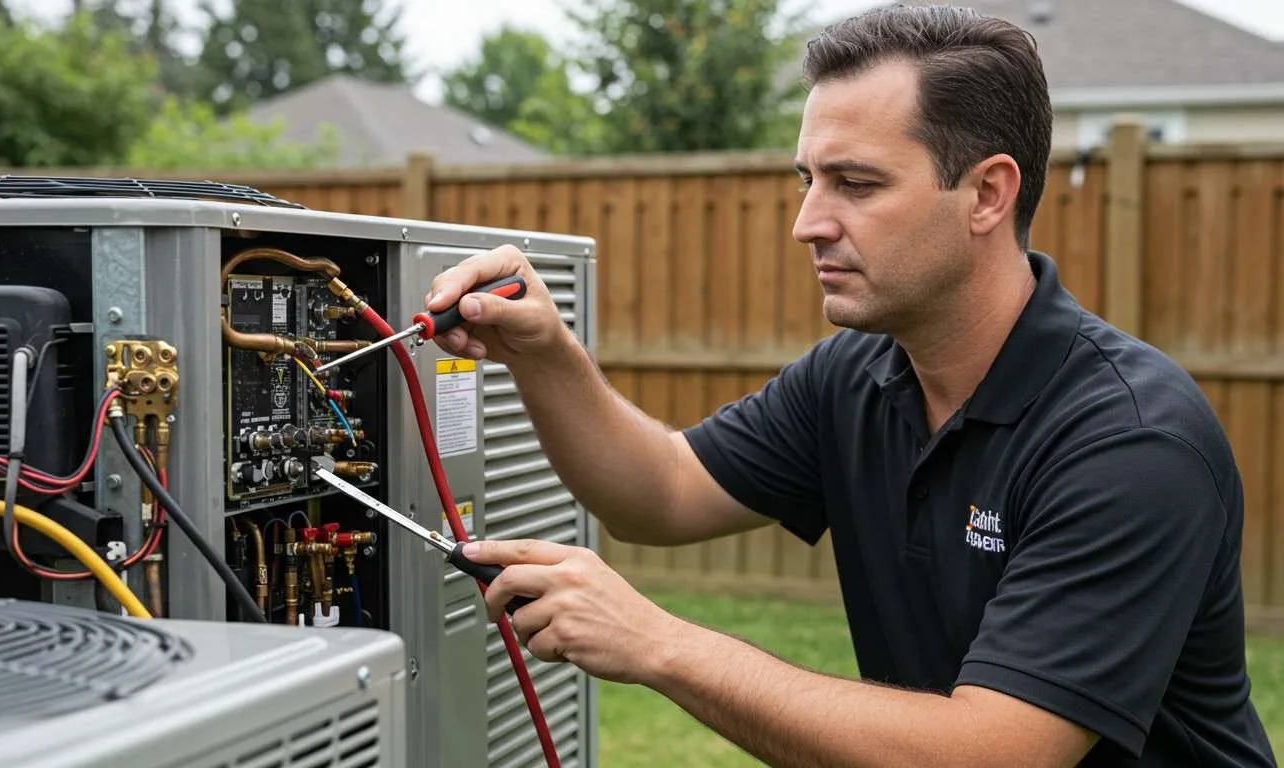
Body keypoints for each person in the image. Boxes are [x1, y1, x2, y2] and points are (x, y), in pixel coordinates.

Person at [424, 4, 1275, 766]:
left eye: (856, 184)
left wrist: (659, 643)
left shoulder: (1128, 442)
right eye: (809, 180)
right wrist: (545, 353)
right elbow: (662, 493)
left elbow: (998, 753)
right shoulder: (860, 375)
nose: (807, 224)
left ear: (987, 193)